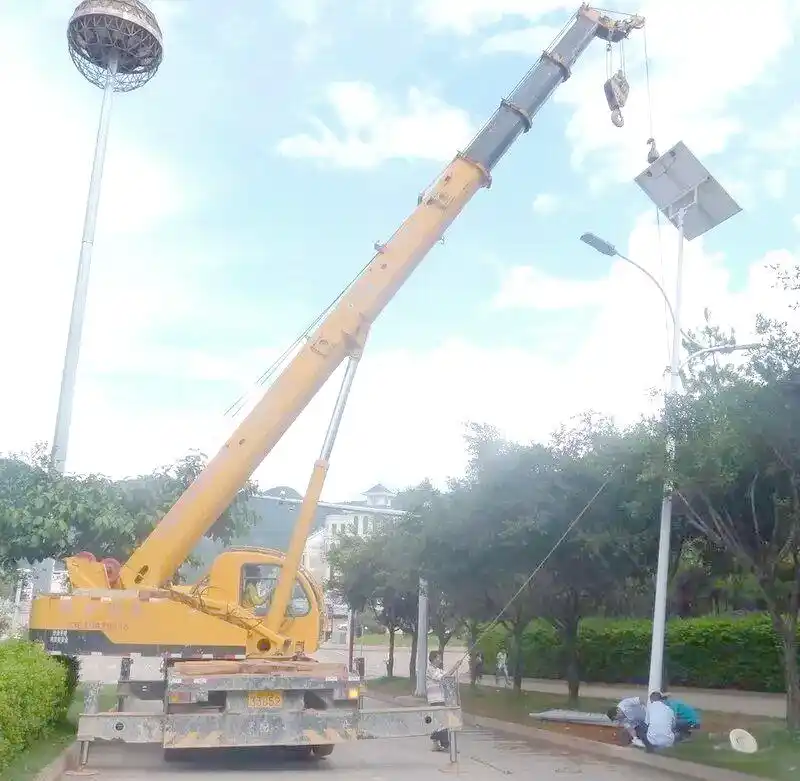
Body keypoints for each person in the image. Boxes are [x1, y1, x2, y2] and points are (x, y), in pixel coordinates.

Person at [426, 650, 450, 751]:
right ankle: (445, 745)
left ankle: (435, 744)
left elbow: (448, 675)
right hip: (435, 699)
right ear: (433, 659)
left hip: (441, 698)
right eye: (438, 658)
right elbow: (443, 678)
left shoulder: (438, 669)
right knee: (444, 723)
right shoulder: (430, 669)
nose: (440, 660)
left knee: (440, 722)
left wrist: (457, 666)